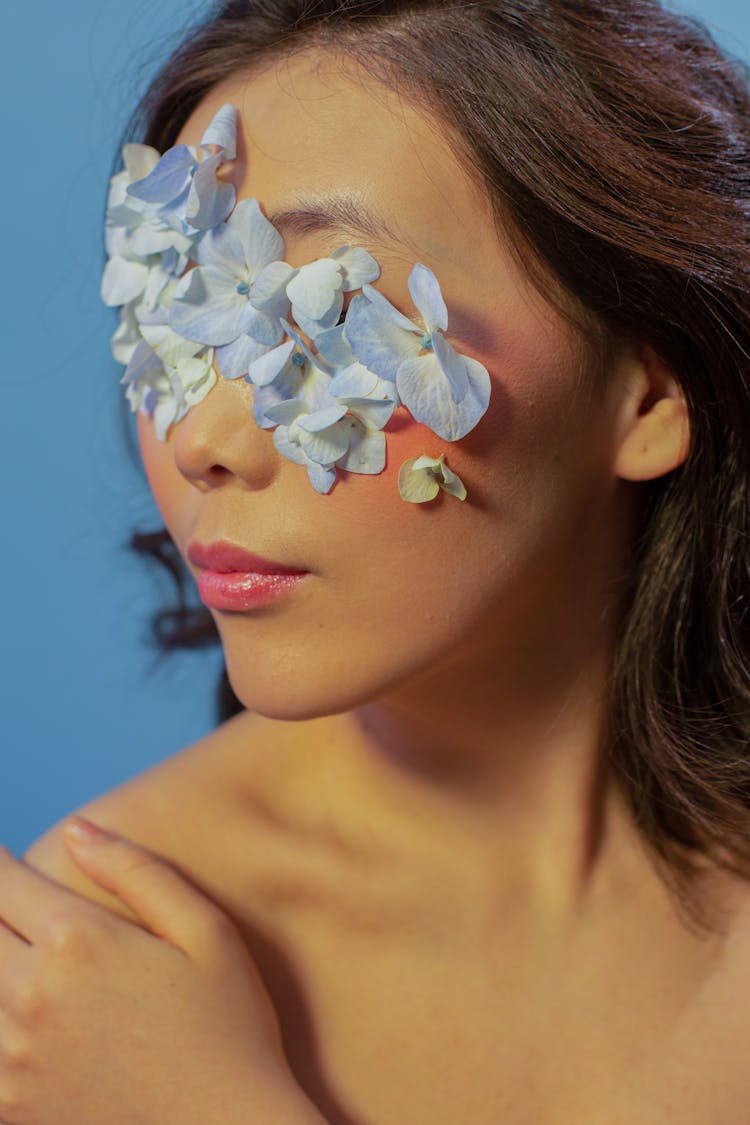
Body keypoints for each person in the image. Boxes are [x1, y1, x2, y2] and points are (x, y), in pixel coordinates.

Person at [3, 0, 749, 1121]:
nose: (200, 440)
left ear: (647, 392)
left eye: (326, 313)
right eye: (180, 324)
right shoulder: (84, 973)